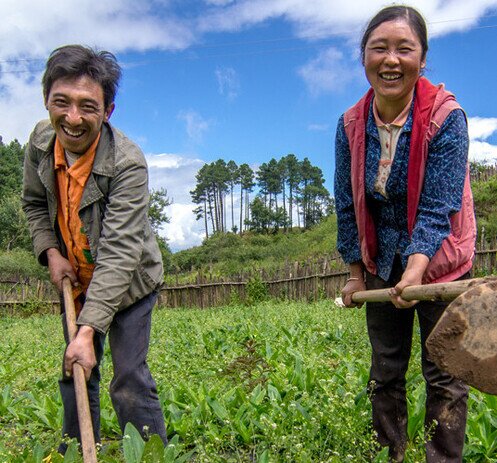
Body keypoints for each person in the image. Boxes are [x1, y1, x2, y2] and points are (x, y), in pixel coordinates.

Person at [334, 5, 476, 463]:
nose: (391, 59)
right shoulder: (351, 123)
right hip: (383, 256)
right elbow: (347, 203)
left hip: (440, 265)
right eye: (379, 48)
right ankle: (389, 455)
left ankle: (443, 459)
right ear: (364, 58)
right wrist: (357, 273)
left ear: (423, 58)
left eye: (404, 49)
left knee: (446, 372)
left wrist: (416, 276)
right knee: (386, 370)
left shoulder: (446, 117)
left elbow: (437, 208)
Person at [22, 45, 168, 452]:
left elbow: (122, 253)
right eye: (61, 103)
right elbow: (34, 203)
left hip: (129, 284)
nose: (72, 118)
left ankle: (149, 455)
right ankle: (75, 451)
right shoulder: (38, 143)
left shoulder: (127, 164)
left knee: (128, 377)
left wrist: (88, 329)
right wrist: (50, 251)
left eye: (88, 106)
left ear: (108, 111)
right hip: (76, 277)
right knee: (75, 366)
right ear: (46, 100)